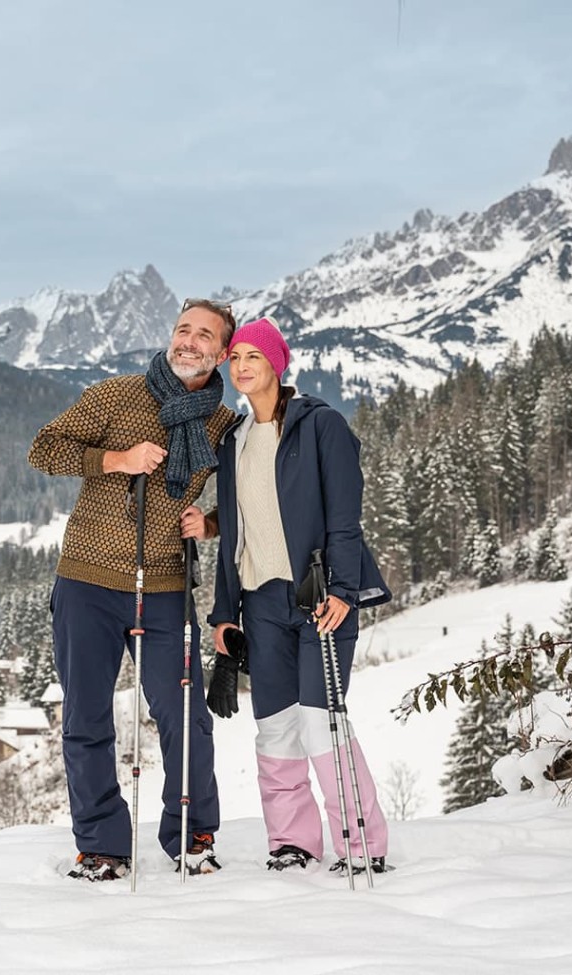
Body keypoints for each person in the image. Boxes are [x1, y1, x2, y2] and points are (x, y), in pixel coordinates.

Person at [27, 297, 241, 881]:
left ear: (221, 351)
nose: (189, 341)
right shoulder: (118, 394)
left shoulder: (222, 423)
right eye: (182, 329)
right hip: (86, 583)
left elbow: (247, 499)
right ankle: (101, 846)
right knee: (86, 716)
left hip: (166, 586)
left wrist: (212, 522)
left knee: (184, 715)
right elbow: (44, 448)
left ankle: (192, 835)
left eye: (204, 335)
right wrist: (116, 458)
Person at [206, 315, 392, 875]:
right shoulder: (233, 440)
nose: (241, 367)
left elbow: (344, 517)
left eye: (253, 358)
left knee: (321, 721)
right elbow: (235, 534)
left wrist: (343, 588)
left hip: (318, 596)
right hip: (259, 602)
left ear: (277, 364)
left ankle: (362, 844)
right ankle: (292, 842)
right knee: (276, 726)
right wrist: (222, 612)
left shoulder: (320, 425)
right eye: (234, 358)